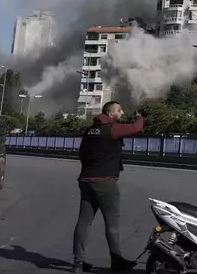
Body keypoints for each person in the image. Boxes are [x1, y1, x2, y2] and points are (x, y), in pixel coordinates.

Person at [71, 101, 144, 273]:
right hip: (105, 183)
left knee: (84, 222)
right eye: (119, 110)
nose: (122, 112)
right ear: (111, 114)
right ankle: (117, 261)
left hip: (86, 181)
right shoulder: (112, 128)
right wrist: (140, 117)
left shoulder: (89, 130)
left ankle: (78, 263)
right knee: (112, 225)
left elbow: (81, 153)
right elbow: (136, 127)